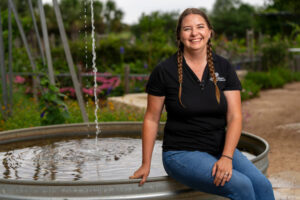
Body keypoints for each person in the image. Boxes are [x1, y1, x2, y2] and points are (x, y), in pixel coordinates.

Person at [130, 8, 275, 200]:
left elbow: (234, 116)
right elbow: (151, 118)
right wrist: (145, 163)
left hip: (218, 148)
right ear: (179, 35)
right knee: (242, 186)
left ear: (209, 32)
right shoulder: (164, 71)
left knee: (262, 185)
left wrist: (226, 157)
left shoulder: (223, 67)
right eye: (187, 29)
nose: (194, 33)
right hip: (181, 153)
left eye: (200, 27)